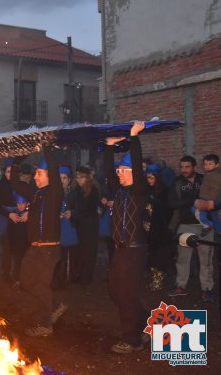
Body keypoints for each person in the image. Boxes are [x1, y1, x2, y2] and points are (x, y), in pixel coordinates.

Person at [10, 144, 66, 337]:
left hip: (48, 250)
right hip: (34, 249)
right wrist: (18, 160)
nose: (35, 177)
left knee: (40, 284)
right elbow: (15, 184)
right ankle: (55, 305)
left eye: (39, 174)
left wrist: (46, 148)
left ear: (50, 175)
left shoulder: (55, 193)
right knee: (25, 280)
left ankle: (45, 325)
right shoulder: (35, 194)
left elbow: (52, 165)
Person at [104, 120, 149, 354]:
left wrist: (134, 137)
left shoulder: (139, 192)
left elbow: (138, 169)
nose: (119, 173)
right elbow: (107, 171)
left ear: (135, 172)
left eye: (124, 170)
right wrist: (109, 146)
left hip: (134, 250)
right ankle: (145, 321)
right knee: (114, 290)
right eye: (119, 170)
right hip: (119, 250)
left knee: (127, 294)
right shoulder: (119, 192)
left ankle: (132, 340)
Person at [167, 155, 212, 302]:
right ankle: (181, 286)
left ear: (194, 167)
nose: (184, 170)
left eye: (187, 167)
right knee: (182, 259)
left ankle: (207, 289)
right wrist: (191, 201)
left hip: (206, 226)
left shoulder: (204, 179)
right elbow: (172, 204)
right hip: (185, 224)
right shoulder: (177, 182)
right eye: (182, 167)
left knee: (206, 260)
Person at [143, 164, 172, 291]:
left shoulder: (165, 191)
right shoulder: (146, 191)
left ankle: (158, 282)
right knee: (151, 255)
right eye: (147, 178)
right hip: (148, 230)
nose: (149, 180)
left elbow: (167, 211)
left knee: (159, 257)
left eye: (152, 178)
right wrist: (144, 221)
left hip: (160, 230)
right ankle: (154, 280)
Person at [70, 165, 100, 285]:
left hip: (89, 227)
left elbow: (88, 210)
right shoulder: (76, 190)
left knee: (89, 252)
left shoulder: (93, 191)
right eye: (77, 177)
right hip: (79, 225)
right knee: (79, 252)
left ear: (87, 178)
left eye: (81, 177)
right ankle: (78, 275)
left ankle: (86, 278)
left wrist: (75, 214)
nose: (79, 180)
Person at [53, 164, 78, 289]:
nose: (62, 181)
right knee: (59, 256)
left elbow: (80, 209)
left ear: (69, 180)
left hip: (70, 227)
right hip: (58, 228)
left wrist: (72, 213)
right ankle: (60, 279)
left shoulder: (74, 194)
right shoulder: (53, 193)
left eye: (64, 178)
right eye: (60, 178)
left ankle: (72, 278)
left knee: (73, 255)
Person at [192, 154, 220, 237]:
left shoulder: (214, 175)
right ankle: (219, 231)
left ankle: (207, 225)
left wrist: (210, 201)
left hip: (209, 200)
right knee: (214, 216)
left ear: (217, 164)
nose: (207, 166)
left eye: (210, 164)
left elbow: (216, 188)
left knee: (196, 210)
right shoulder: (210, 174)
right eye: (205, 164)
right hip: (211, 200)